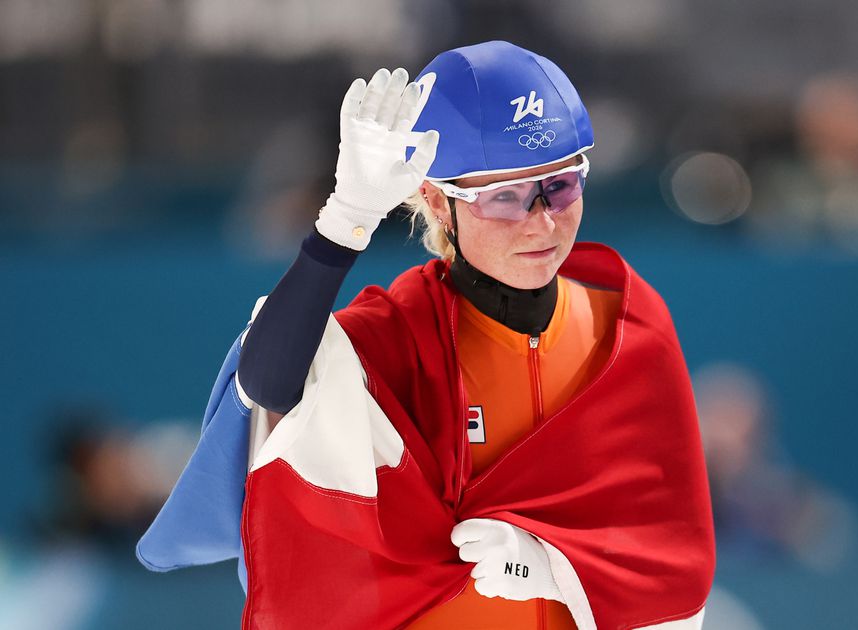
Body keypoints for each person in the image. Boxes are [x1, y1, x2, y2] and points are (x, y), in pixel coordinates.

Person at [137, 41, 714, 629]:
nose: (542, 221)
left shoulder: (627, 324)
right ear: (439, 202)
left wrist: (557, 563)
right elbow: (268, 383)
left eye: (561, 187)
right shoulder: (398, 338)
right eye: (505, 198)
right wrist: (343, 222)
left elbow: (669, 545)